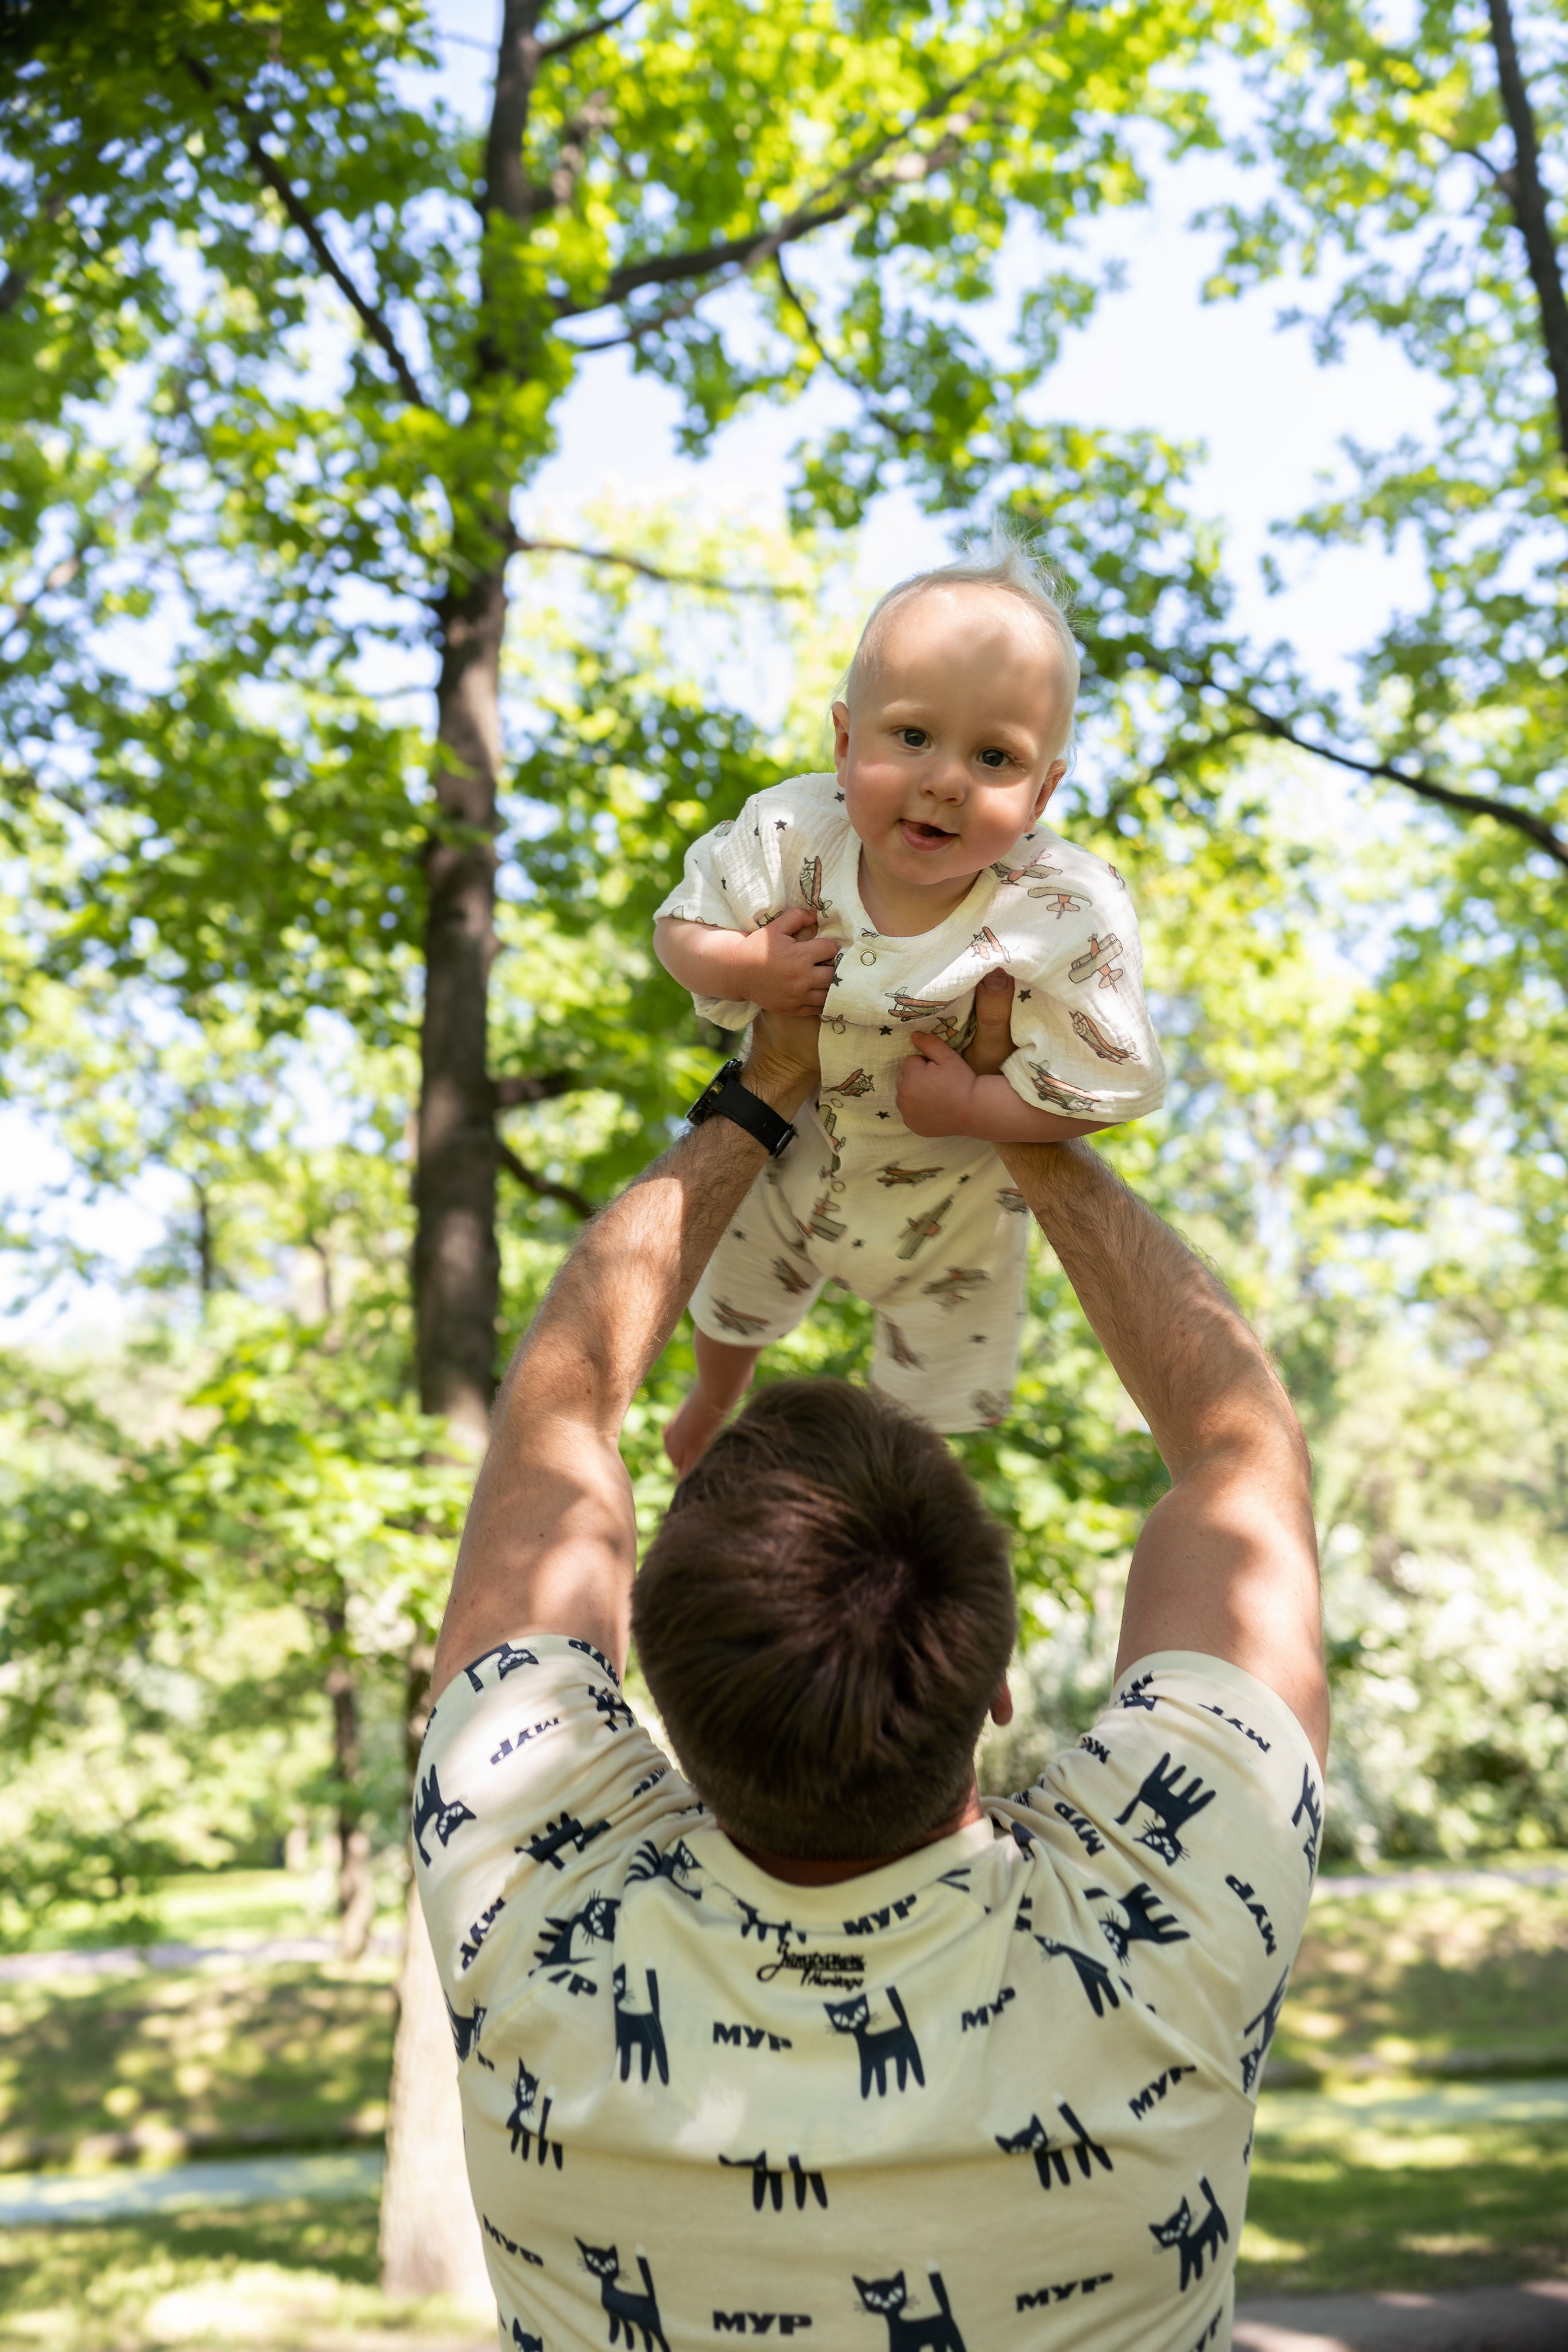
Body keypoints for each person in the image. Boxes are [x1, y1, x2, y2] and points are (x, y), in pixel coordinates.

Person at [416, 978, 1325, 2352]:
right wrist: (1017, 1128)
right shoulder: (1160, 1920)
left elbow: (563, 1404)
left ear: (647, 1696)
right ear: (998, 1681)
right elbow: (1237, 1448)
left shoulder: (531, 1909)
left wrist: (764, 1084)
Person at [652, 546, 1165, 1471]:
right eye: (914, 737)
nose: (947, 781)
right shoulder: (793, 833)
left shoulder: (1062, 909)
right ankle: (713, 1398)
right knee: (726, 1285)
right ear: (845, 744)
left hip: (951, 1200)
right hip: (785, 1152)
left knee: (930, 1407)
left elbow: (1111, 1084)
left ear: (1045, 792)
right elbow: (680, 925)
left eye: (996, 756)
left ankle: (901, 1500)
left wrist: (978, 1109)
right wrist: (747, 965)